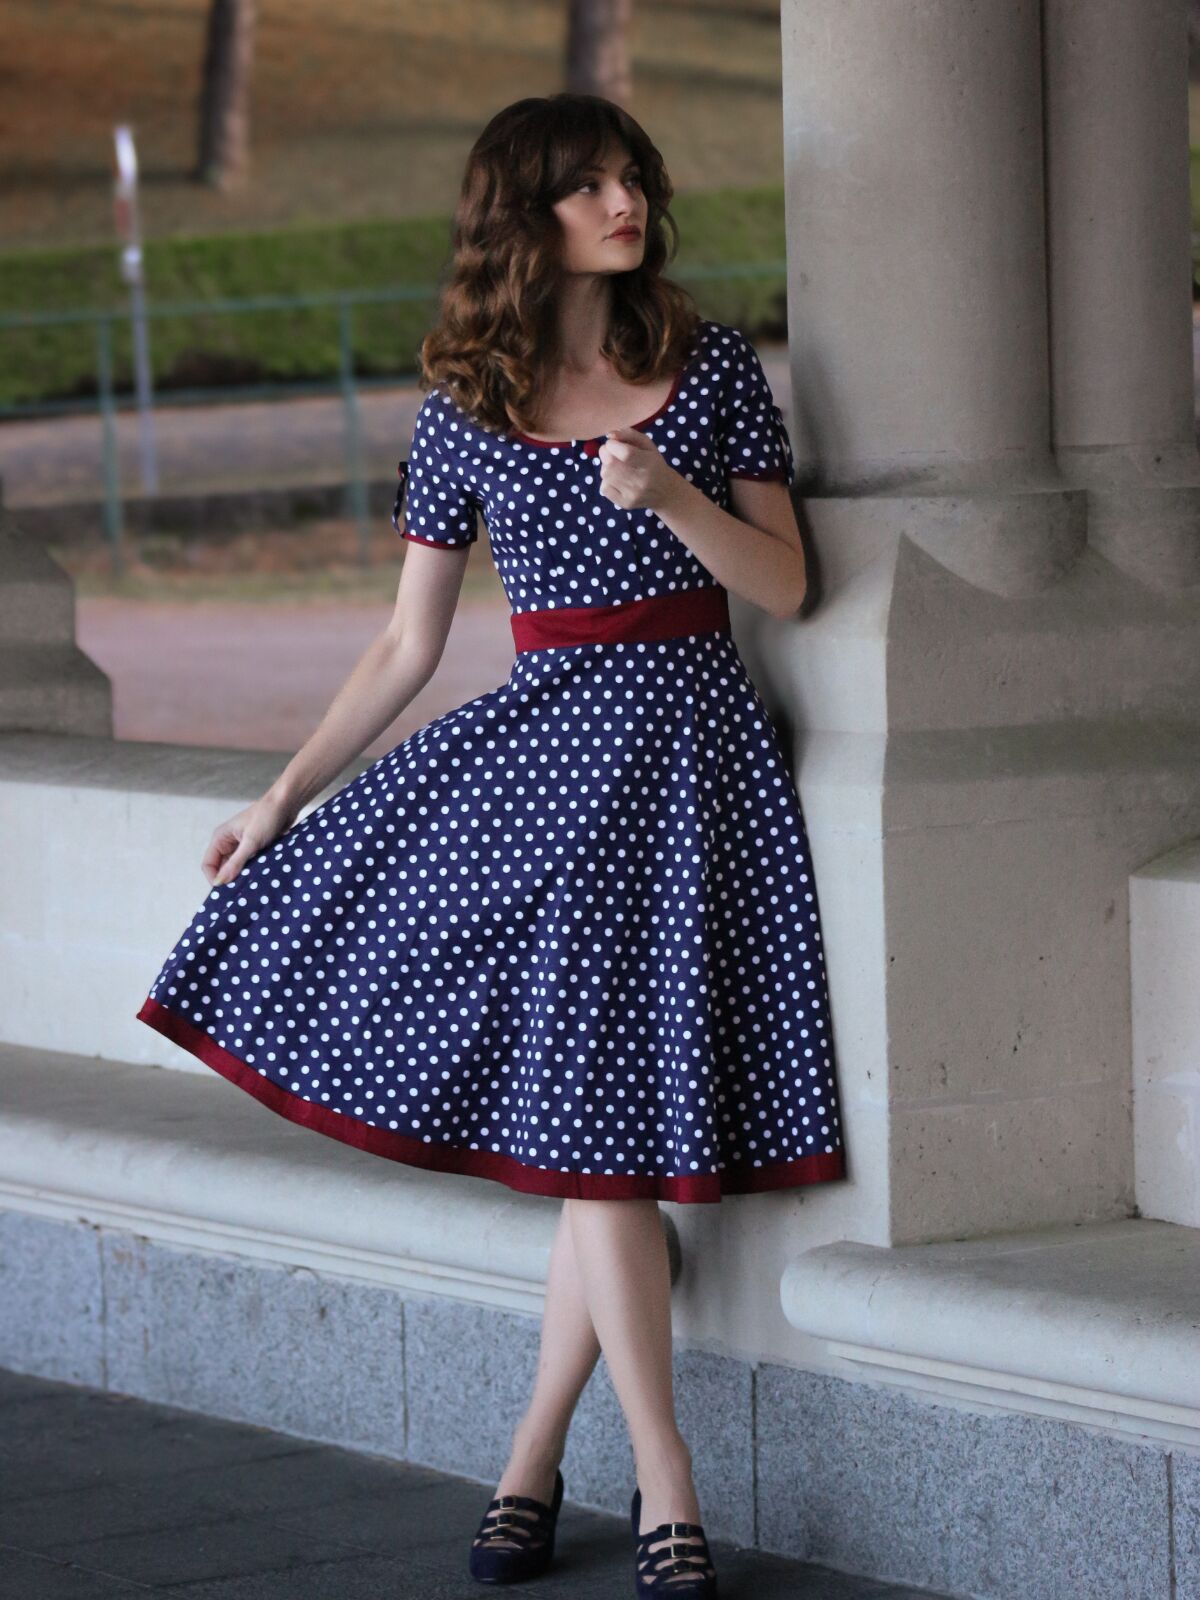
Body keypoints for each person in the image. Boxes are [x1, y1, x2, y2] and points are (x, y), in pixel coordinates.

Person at [136, 92, 847, 1598]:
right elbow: (405, 650)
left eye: (629, 177)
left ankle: (534, 1457)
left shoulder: (711, 371)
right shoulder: (467, 412)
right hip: (540, 785)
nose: (622, 200)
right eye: (586, 184)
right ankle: (665, 1482)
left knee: (606, 1152)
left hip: (684, 776)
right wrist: (283, 800)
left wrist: (669, 498)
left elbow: (786, 586)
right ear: (523, 219)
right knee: (607, 1151)